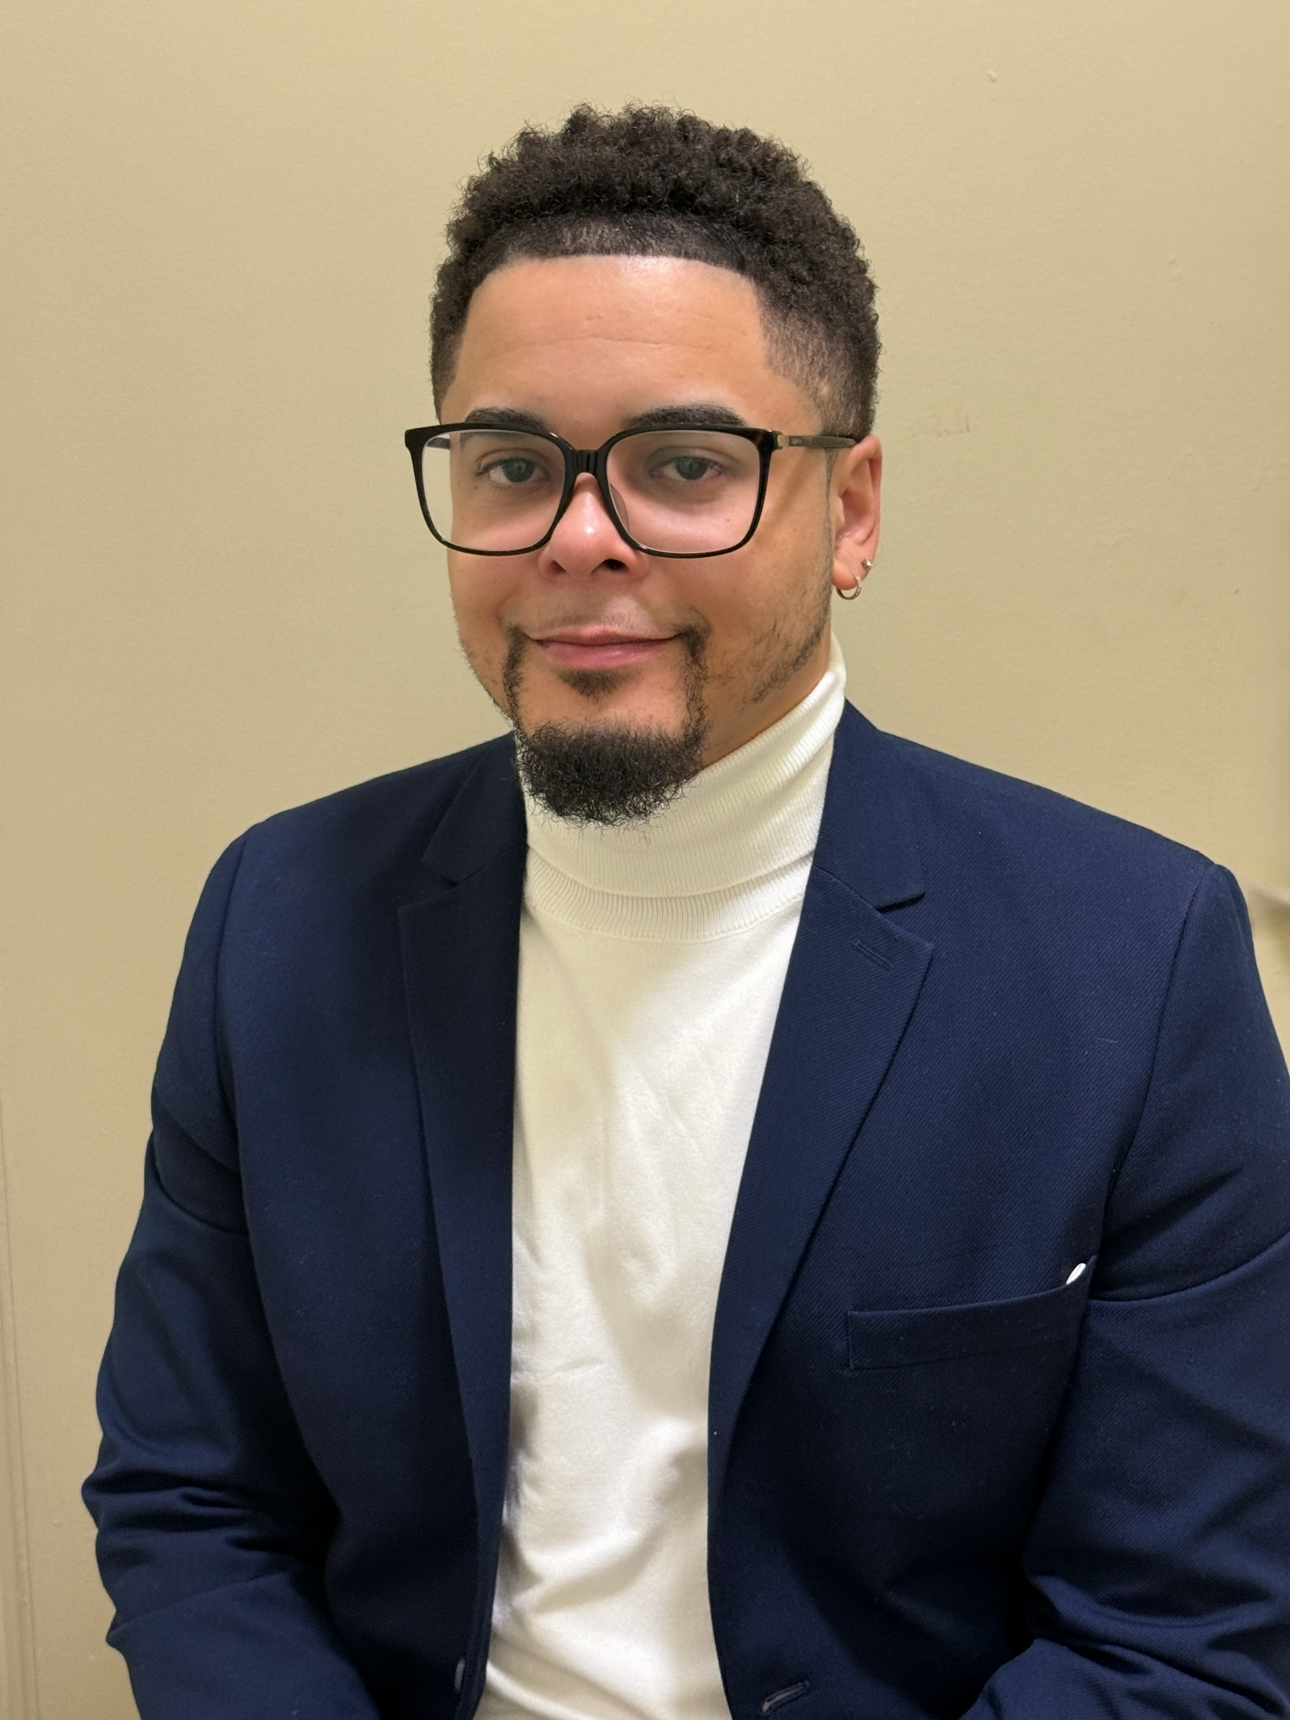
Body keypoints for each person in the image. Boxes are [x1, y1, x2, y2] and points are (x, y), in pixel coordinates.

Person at [85, 106, 1290, 1720]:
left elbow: (1180, 1637)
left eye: (683, 466)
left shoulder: (1132, 964)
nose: (581, 539)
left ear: (849, 510)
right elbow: (193, 1504)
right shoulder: (279, 920)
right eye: (513, 466)